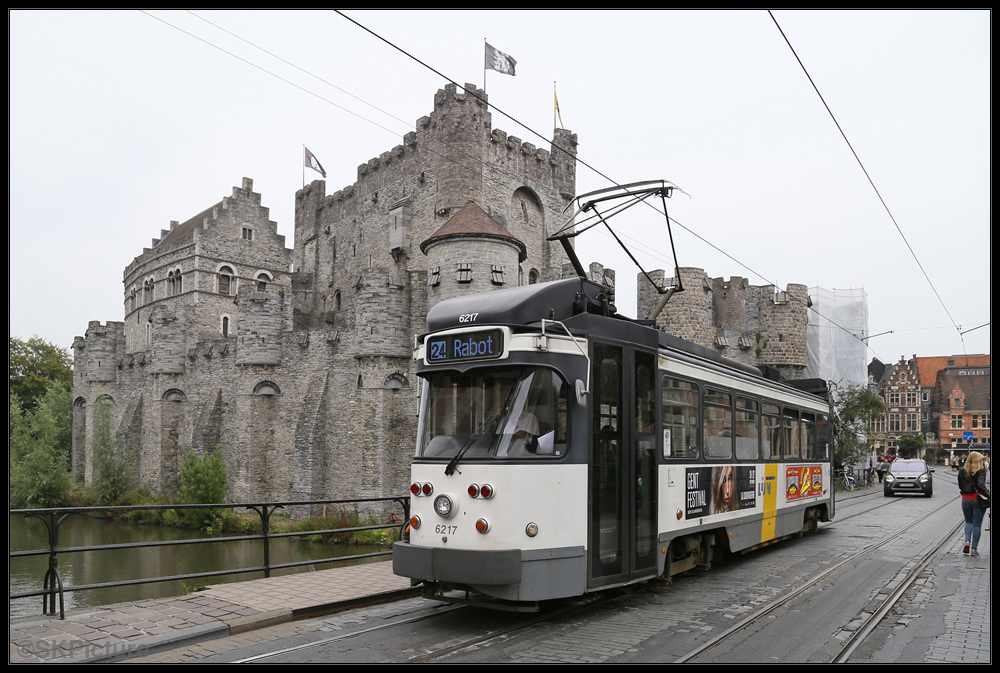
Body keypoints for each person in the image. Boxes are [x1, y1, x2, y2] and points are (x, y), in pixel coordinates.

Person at [958, 451, 989, 557]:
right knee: (977, 524)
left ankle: (967, 541)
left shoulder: (962, 471)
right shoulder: (981, 470)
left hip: (966, 499)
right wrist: (988, 496)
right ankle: (974, 549)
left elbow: (960, 485)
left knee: (968, 522)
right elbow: (981, 485)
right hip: (978, 499)